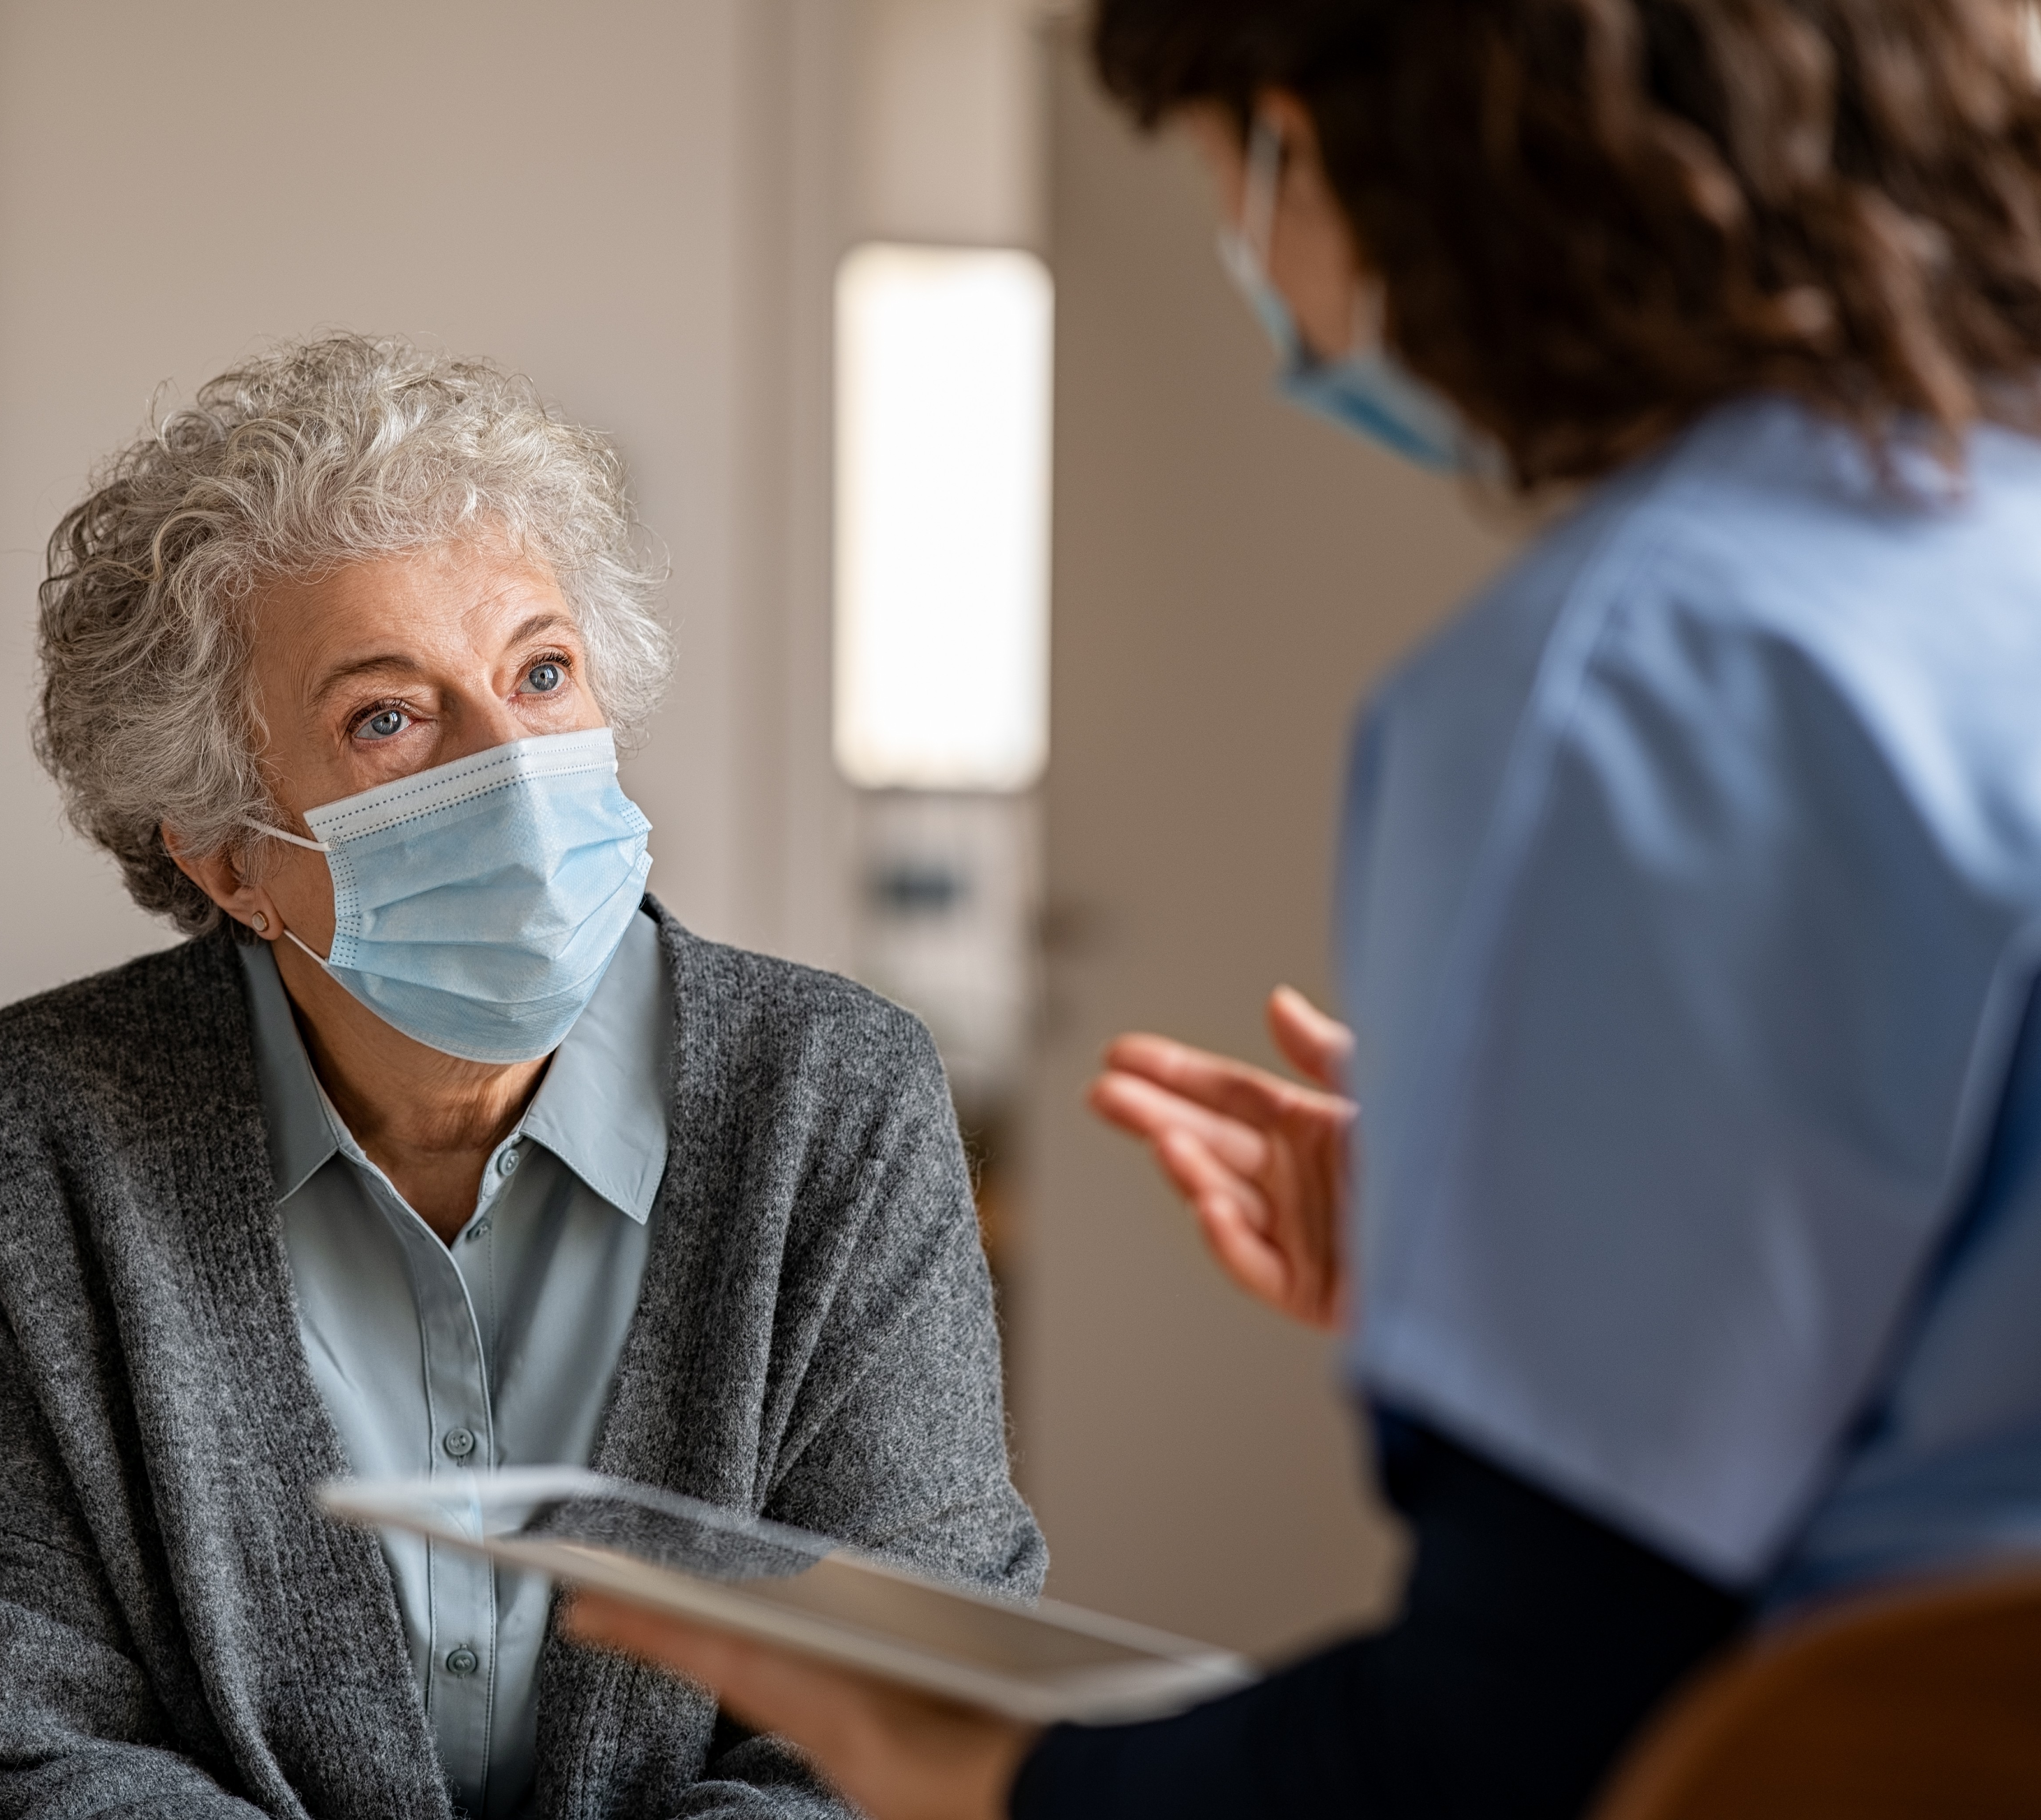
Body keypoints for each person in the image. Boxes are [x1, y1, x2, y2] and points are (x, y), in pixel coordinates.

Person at [569, 3, 2041, 1816]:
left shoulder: (1646, 670)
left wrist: (986, 1776)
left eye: (1220, 178)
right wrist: (1526, 1273)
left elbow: (1517, 1736)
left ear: (1320, 149)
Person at [0, 333, 1044, 1819]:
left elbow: (911, 1723)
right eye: (390, 718)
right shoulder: (35, 1135)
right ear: (226, 856)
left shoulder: (836, 1103)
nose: (515, 772)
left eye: (542, 673)